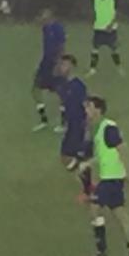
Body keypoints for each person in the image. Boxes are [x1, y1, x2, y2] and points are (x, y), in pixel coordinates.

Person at [79, 96, 129, 256]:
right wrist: (88, 163)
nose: (86, 110)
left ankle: (102, 254)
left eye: (89, 107)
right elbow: (105, 155)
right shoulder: (101, 129)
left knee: (94, 209)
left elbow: (123, 149)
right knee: (121, 215)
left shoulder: (108, 128)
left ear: (98, 110)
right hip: (111, 179)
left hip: (111, 180)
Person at [55, 55, 93, 200]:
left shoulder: (78, 86)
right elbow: (64, 106)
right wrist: (64, 124)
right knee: (66, 156)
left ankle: (87, 190)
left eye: (65, 64)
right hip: (71, 127)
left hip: (79, 127)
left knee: (77, 158)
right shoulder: (63, 86)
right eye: (61, 64)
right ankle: (87, 183)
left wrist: (87, 128)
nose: (61, 67)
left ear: (72, 66)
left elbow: (87, 107)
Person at [32, 9, 66, 132]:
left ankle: (64, 123)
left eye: (45, 16)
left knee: (61, 93)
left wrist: (59, 63)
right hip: (45, 64)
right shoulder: (46, 28)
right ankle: (44, 120)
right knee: (35, 90)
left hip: (55, 63)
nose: (43, 18)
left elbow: (62, 47)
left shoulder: (58, 28)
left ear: (51, 16)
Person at [87, 0, 123, 77]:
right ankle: (92, 69)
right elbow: (94, 10)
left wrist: (111, 23)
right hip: (98, 27)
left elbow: (117, 11)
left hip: (110, 28)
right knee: (95, 48)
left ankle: (119, 68)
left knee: (114, 49)